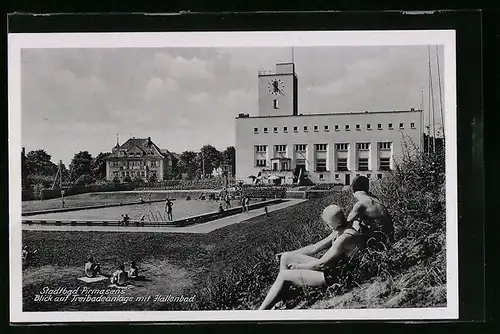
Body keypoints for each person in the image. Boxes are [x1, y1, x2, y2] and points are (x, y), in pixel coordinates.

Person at [258, 205, 364, 310]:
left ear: (331, 224)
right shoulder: (342, 229)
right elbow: (315, 247)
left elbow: (322, 264)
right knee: (286, 257)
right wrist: (290, 253)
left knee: (284, 275)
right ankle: (281, 294)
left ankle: (261, 311)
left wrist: (298, 267)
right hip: (331, 269)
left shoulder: (344, 237)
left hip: (335, 277)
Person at [347, 176, 394, 248]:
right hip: (389, 237)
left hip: (378, 240)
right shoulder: (375, 199)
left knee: (355, 222)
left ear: (353, 192)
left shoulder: (360, 204)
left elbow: (345, 223)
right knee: (360, 218)